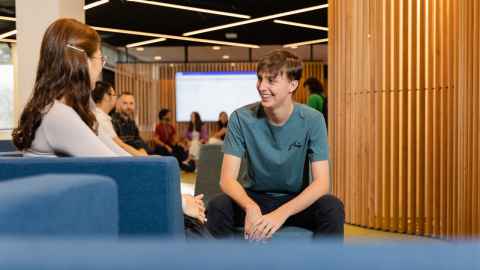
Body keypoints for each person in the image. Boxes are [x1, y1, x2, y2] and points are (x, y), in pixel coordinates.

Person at [11, 18, 206, 226]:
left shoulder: (60, 109)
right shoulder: (59, 116)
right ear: (82, 61)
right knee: (193, 226)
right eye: (100, 59)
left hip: (73, 210)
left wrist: (168, 187)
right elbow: (118, 169)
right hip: (66, 219)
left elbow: (116, 153)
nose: (101, 68)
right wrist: (179, 202)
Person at [206, 50, 344, 241]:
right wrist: (250, 207)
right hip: (254, 197)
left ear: (292, 85)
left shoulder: (313, 120)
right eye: (259, 79)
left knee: (332, 207)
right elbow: (227, 180)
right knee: (217, 206)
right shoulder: (240, 118)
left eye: (271, 80)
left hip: (295, 200)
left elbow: (322, 183)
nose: (262, 86)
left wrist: (281, 214)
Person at [92, 81, 147, 156]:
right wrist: (142, 156)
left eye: (131, 103)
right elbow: (120, 145)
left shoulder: (102, 116)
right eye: (114, 95)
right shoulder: (100, 118)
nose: (116, 98)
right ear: (106, 97)